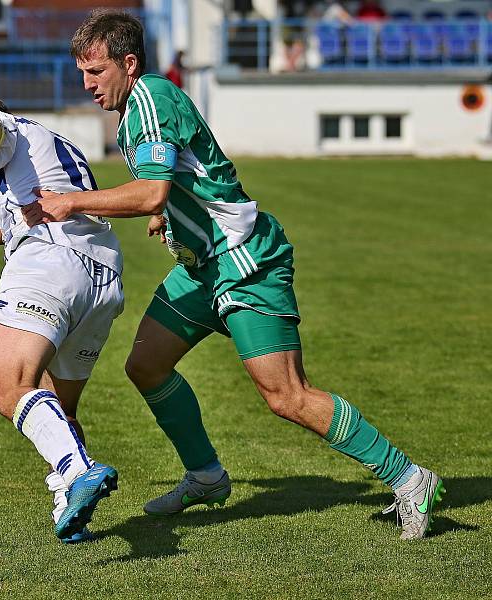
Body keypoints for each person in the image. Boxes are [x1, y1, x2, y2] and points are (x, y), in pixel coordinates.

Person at [24, 10, 444, 541]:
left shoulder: (152, 99)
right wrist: (167, 214)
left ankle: (410, 478)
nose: (86, 85)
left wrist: (72, 203)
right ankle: (206, 476)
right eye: (82, 74)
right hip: (203, 266)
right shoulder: (136, 106)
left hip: (244, 260)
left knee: (286, 395)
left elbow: (152, 188)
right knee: (146, 366)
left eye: (95, 72)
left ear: (128, 64)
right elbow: (180, 177)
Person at [0, 85, 122, 543]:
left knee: (8, 388)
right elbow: (21, 214)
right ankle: (69, 508)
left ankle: (77, 472)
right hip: (103, 279)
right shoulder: (45, 144)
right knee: (58, 408)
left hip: (50, 263)